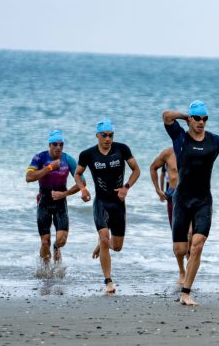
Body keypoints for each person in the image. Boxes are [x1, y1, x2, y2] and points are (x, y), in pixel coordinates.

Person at [163, 101, 219, 306]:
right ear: (190, 119)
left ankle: (186, 293)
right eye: (197, 118)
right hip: (182, 200)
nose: (201, 122)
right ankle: (183, 272)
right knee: (180, 249)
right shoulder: (180, 137)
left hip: (203, 201)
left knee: (197, 244)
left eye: (205, 118)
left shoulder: (216, 141)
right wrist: (184, 117)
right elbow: (166, 116)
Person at [74, 118, 140, 295]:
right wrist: (83, 189)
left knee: (117, 247)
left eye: (111, 135)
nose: (108, 139)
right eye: (104, 135)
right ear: (97, 135)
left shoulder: (122, 149)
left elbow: (136, 170)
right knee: (105, 238)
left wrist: (126, 187)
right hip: (101, 202)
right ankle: (108, 281)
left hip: (118, 203)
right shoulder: (87, 154)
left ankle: (102, 244)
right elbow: (78, 174)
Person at [25, 129, 80, 266]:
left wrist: (65, 194)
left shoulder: (68, 160)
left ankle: (56, 248)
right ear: (49, 145)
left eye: (61, 144)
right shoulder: (40, 158)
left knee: (61, 240)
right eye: (55, 144)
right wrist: (49, 167)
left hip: (60, 203)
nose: (58, 147)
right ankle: (45, 270)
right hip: (44, 202)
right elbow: (29, 177)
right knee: (45, 242)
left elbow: (81, 183)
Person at [150, 147, 190, 287]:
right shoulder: (168, 153)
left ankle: (190, 267)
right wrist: (158, 189)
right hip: (173, 196)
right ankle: (182, 271)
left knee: (191, 234)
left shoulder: (196, 148)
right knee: (179, 242)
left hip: (192, 196)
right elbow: (153, 168)